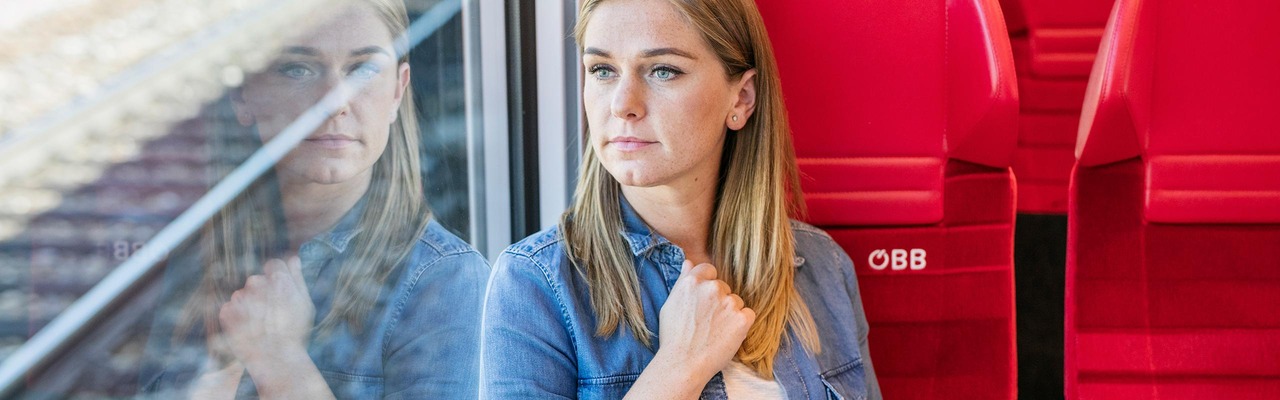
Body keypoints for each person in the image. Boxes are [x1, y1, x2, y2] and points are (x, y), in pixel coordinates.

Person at [480, 0, 880, 398]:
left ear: (741, 99)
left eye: (662, 70)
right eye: (602, 70)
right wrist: (680, 367)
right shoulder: (535, 285)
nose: (622, 104)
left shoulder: (822, 267)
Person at [138, 0, 488, 398]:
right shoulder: (201, 251)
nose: (335, 101)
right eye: (297, 69)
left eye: (364, 69)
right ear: (243, 95)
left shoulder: (445, 282)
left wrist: (280, 359)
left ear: (397, 91)